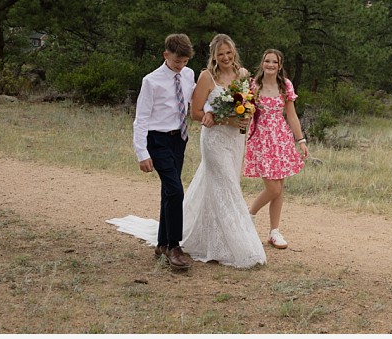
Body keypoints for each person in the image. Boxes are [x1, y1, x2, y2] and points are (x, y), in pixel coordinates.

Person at [178, 33, 266, 268]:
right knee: (227, 188)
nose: (226, 57)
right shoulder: (207, 77)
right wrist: (223, 119)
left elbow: (248, 104)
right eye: (221, 54)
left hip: (236, 140)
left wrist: (246, 115)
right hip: (214, 140)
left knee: (221, 187)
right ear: (214, 56)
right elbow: (196, 112)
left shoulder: (243, 74)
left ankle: (210, 238)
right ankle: (240, 246)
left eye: (229, 52)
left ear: (234, 52)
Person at [130, 33, 195, 271]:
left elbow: (195, 99)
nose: (181, 66)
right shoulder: (151, 81)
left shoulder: (188, 75)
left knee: (169, 191)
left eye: (185, 61)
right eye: (177, 61)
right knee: (176, 191)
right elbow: (141, 119)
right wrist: (142, 153)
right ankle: (174, 246)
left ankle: (162, 244)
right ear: (166, 55)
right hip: (157, 140)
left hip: (180, 138)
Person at [244, 48, 309, 249]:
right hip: (261, 140)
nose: (270, 65)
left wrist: (301, 140)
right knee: (273, 188)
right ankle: (248, 217)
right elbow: (244, 113)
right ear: (262, 63)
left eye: (275, 62)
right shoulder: (253, 86)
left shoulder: (285, 85)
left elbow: (291, 115)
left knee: (280, 187)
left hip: (281, 139)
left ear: (280, 66)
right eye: (267, 61)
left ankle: (274, 231)